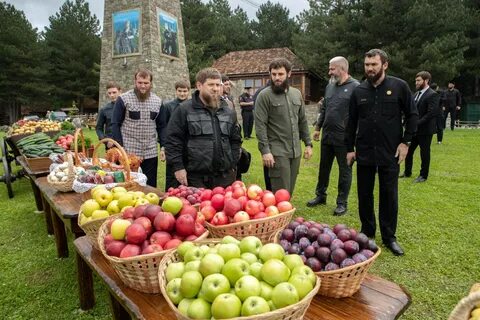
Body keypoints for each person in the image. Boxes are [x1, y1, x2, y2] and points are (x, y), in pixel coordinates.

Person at [345, 49, 418, 256]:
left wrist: (406, 142)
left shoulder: (399, 87)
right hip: (365, 151)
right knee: (365, 194)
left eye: (374, 65)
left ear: (385, 65)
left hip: (390, 151)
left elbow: (412, 115)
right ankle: (367, 233)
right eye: (367, 65)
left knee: (389, 195)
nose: (369, 69)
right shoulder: (359, 91)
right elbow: (351, 122)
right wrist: (350, 149)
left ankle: (389, 237)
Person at [165, 68, 242, 189]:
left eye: (218, 84)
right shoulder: (184, 110)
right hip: (194, 179)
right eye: (211, 84)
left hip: (224, 178)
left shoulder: (228, 111)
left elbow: (236, 140)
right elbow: (172, 140)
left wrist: (232, 163)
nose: (215, 88)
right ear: (199, 85)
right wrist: (178, 167)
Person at [307, 57, 359, 216]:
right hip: (327, 135)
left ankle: (341, 203)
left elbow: (360, 116)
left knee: (345, 171)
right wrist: (317, 128)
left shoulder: (356, 88)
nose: (329, 72)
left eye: (332, 69)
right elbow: (324, 109)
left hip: (345, 139)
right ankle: (320, 195)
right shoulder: (330, 87)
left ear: (342, 69)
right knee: (324, 168)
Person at [254, 58, 313, 194]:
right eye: (273, 74)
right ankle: (280, 215)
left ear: (289, 74)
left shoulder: (296, 94)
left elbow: (302, 121)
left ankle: (283, 214)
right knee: (279, 193)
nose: (277, 78)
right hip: (276, 153)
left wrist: (308, 144)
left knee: (288, 191)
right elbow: (260, 126)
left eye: (280, 74)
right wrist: (265, 151)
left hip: (295, 151)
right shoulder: (264, 96)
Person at [111, 69, 166, 187]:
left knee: (150, 185)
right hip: (129, 150)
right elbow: (115, 124)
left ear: (151, 83)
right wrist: (120, 147)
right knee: (128, 183)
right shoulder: (123, 99)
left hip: (150, 151)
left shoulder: (158, 101)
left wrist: (163, 147)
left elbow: (161, 126)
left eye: (146, 83)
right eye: (140, 82)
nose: (143, 86)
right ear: (135, 82)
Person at [401, 71, 440, 183]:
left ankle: (423, 175)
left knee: (424, 153)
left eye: (418, 80)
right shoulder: (415, 94)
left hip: (425, 130)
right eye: (416, 81)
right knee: (409, 151)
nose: (416, 83)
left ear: (426, 80)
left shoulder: (433, 94)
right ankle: (407, 172)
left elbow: (431, 113)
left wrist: (416, 123)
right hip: (414, 130)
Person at [162, 80, 191, 191]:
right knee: (172, 173)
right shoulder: (168, 106)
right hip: (172, 144)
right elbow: (164, 128)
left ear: (188, 91)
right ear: (176, 91)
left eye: (185, 91)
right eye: (180, 91)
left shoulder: (191, 106)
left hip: (187, 145)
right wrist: (164, 147)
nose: (182, 94)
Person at [252, 81, 272, 191]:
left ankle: (270, 190)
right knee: (269, 163)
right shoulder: (262, 93)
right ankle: (269, 190)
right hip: (267, 134)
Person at [96, 82, 122, 149]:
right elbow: (98, 128)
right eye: (109, 93)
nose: (112, 95)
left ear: (120, 92)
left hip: (126, 143)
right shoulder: (104, 109)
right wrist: (106, 141)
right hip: (110, 145)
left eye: (114, 92)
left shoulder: (127, 107)